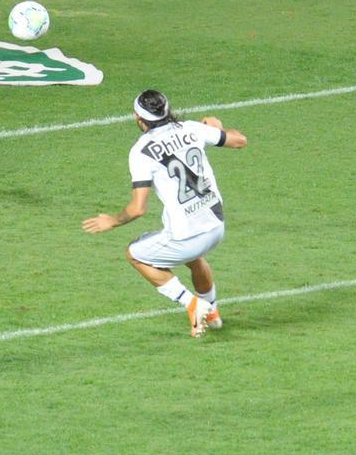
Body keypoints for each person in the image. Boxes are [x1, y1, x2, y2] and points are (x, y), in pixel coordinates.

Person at [82, 89, 247, 337]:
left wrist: (112, 221)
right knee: (195, 257)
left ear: (139, 119)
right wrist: (217, 126)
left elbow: (138, 208)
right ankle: (212, 312)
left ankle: (192, 304)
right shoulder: (192, 128)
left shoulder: (141, 151)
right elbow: (239, 140)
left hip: (186, 236)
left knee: (135, 255)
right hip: (216, 226)